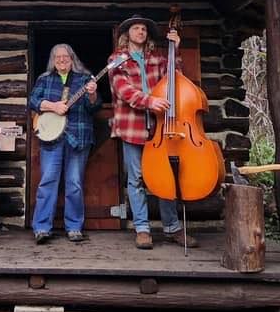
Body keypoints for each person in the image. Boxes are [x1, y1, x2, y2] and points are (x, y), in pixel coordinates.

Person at [109, 15, 199, 251]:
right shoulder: (117, 60)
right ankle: (142, 229)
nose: (141, 32)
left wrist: (175, 51)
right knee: (136, 179)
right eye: (136, 28)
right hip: (133, 127)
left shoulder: (158, 57)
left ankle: (171, 228)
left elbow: (175, 79)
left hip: (161, 126)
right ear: (127, 33)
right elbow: (123, 91)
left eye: (144, 29)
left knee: (166, 176)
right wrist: (150, 101)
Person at [29, 44, 100, 243]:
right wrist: (54, 106)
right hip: (51, 137)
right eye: (57, 57)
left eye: (65, 57)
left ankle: (74, 227)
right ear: (53, 60)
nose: (61, 60)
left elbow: (94, 107)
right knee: (47, 182)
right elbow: (33, 101)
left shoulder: (85, 79)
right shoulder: (45, 79)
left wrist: (92, 93)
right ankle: (42, 228)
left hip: (78, 135)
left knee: (74, 184)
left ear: (72, 59)